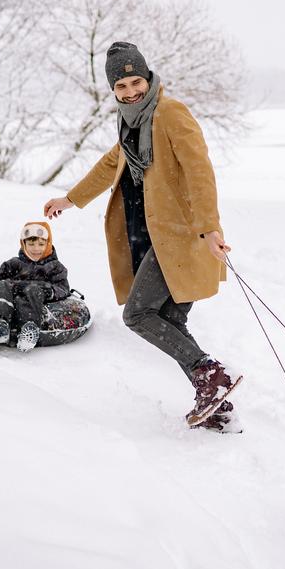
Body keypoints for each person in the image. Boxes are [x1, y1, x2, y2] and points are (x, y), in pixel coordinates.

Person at [43, 41, 241, 432]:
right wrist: (69, 199)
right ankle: (217, 405)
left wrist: (208, 227)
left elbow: (199, 170)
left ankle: (210, 373)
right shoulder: (131, 122)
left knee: (137, 314)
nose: (131, 90)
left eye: (136, 81)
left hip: (181, 237)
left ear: (148, 78)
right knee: (168, 319)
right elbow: (109, 165)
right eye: (122, 86)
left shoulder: (169, 113)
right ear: (113, 91)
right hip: (152, 238)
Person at [0, 221, 71, 350]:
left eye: (41, 244)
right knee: (2, 284)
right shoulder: (16, 263)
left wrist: (50, 291)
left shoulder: (54, 267)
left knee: (33, 289)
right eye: (31, 244)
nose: (36, 248)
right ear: (23, 244)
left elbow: (63, 287)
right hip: (12, 295)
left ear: (48, 244)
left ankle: (29, 330)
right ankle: (0, 323)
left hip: (34, 297)